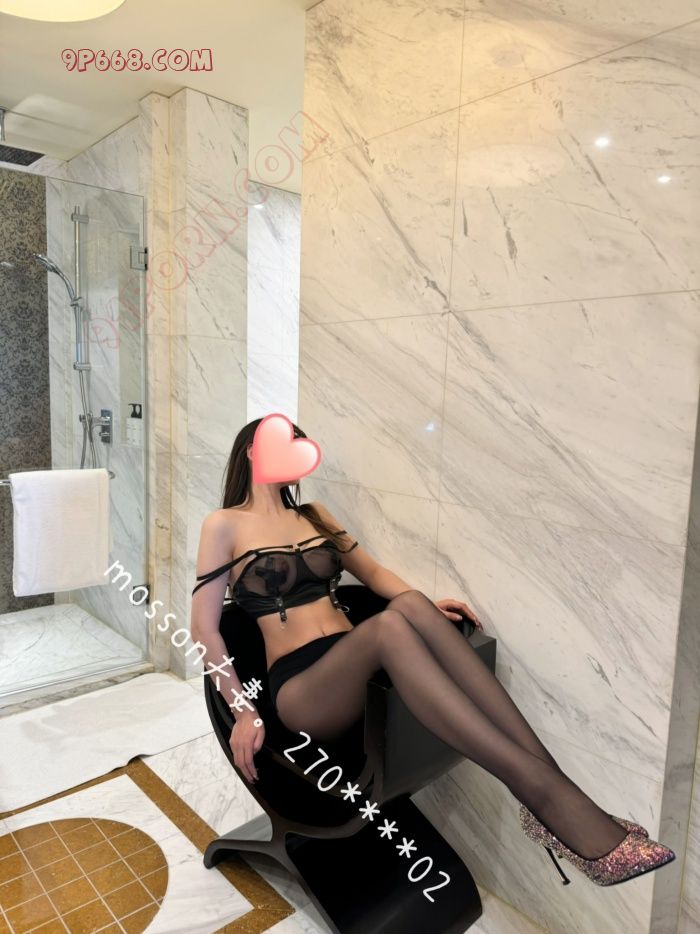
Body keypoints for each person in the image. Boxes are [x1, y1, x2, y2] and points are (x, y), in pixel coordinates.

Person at [190, 418, 675, 887]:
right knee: (389, 625)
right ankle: (548, 797)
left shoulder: (314, 515)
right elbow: (204, 628)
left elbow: (374, 574)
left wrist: (425, 610)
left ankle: (550, 793)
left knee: (409, 607)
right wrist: (242, 710)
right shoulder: (224, 525)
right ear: (252, 449)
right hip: (303, 688)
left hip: (354, 659)